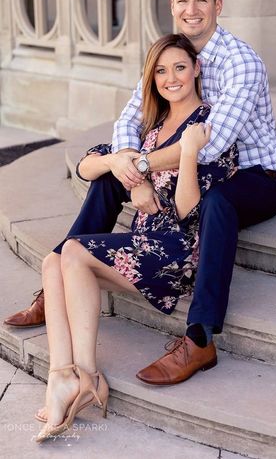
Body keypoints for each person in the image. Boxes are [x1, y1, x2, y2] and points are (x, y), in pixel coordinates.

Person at [5, 0, 276, 385]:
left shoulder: (240, 62)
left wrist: (138, 169)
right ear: (172, 7)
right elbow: (130, 118)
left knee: (217, 203)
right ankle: (59, 279)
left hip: (251, 174)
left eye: (201, 1)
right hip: (192, 164)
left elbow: (209, 144)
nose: (192, 10)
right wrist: (125, 163)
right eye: (183, 1)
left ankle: (199, 337)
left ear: (218, 6)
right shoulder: (171, 55)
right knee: (107, 177)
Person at [34, 33, 238, 443]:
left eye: (180, 67)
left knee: (72, 251)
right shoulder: (150, 127)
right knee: (52, 261)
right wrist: (127, 173)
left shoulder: (208, 127)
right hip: (141, 247)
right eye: (161, 71)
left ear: (196, 69)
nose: (171, 78)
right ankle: (62, 376)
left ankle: (87, 375)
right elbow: (88, 167)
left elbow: (185, 211)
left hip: (174, 253)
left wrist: (187, 154)